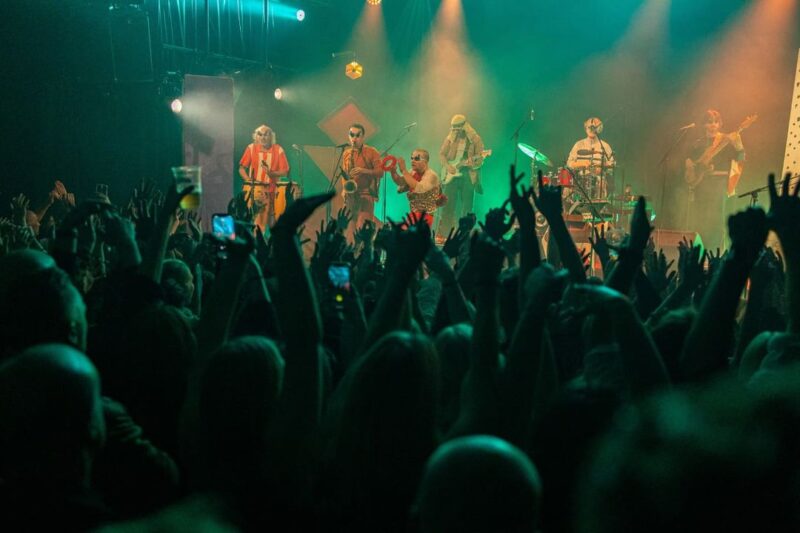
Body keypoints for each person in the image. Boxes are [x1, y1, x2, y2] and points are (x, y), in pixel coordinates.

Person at [684, 109, 747, 250]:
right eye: (709, 122)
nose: (713, 125)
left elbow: (740, 158)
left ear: (720, 124)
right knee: (700, 219)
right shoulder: (698, 143)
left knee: (716, 221)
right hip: (701, 184)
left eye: (716, 122)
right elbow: (690, 160)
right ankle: (699, 252)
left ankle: (715, 254)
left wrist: (739, 146)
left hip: (719, 184)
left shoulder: (726, 140)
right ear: (704, 125)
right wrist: (690, 165)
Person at [436, 114, 486, 236]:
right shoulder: (450, 138)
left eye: (458, 129)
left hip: (468, 175)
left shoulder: (475, 139)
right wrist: (448, 166)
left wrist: (472, 164)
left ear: (464, 126)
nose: (456, 132)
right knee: (447, 206)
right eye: (454, 129)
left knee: (467, 208)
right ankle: (445, 235)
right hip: (451, 175)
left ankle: (464, 235)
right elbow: (441, 154)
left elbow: (480, 159)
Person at [238, 124, 290, 232]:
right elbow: (241, 169)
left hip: (274, 191)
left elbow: (285, 171)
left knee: (275, 223)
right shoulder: (251, 148)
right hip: (255, 191)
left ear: (271, 136)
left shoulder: (278, 149)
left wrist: (271, 173)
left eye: (266, 135)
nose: (263, 137)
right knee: (257, 223)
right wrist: (249, 181)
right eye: (260, 135)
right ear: (256, 136)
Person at [341, 123, 383, 230]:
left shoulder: (372, 152)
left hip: (366, 194)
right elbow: (344, 175)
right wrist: (344, 189)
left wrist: (364, 171)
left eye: (357, 135)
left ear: (363, 137)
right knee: (349, 229)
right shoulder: (346, 153)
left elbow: (380, 172)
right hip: (351, 196)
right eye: (352, 135)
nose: (354, 139)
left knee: (364, 227)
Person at [389, 148, 444, 227]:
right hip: (414, 214)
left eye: (417, 158)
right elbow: (401, 182)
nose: (412, 161)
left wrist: (404, 170)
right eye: (412, 158)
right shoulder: (413, 172)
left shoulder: (431, 175)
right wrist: (393, 172)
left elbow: (419, 188)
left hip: (426, 216)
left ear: (425, 162)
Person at [566, 117, 615, 200]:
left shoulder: (605, 146)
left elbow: (611, 166)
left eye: (595, 127)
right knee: (567, 189)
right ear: (585, 128)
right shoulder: (578, 145)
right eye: (589, 127)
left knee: (601, 183)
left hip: (599, 180)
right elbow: (569, 163)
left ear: (600, 129)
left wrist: (602, 167)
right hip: (580, 179)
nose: (592, 129)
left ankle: (599, 205)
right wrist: (582, 164)